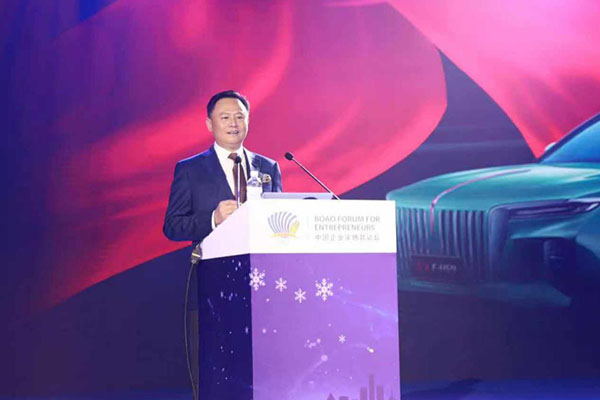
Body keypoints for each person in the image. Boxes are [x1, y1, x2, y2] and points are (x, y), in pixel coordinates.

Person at [163, 90, 282, 245]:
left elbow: (277, 217)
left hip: (260, 257)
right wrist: (213, 219)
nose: (233, 123)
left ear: (248, 121)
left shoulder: (269, 167)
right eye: (225, 117)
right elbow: (172, 227)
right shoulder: (189, 169)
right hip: (213, 258)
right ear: (209, 124)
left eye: (239, 117)